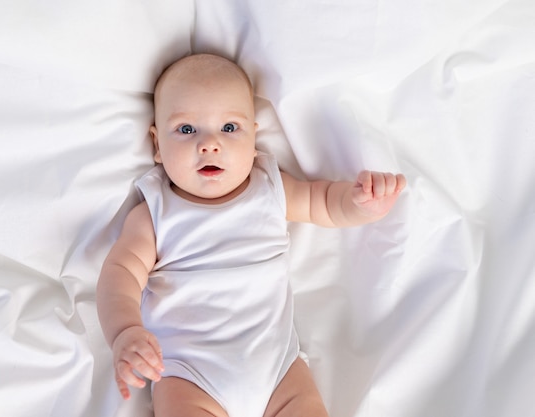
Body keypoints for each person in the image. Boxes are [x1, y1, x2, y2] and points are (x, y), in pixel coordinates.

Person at [96, 53, 406, 417]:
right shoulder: (154, 214)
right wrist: (124, 331)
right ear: (157, 146)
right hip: (190, 376)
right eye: (186, 129)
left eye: (229, 128)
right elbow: (119, 276)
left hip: (279, 371)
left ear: (253, 138)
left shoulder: (270, 188)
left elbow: (322, 202)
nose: (209, 144)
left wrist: (360, 204)